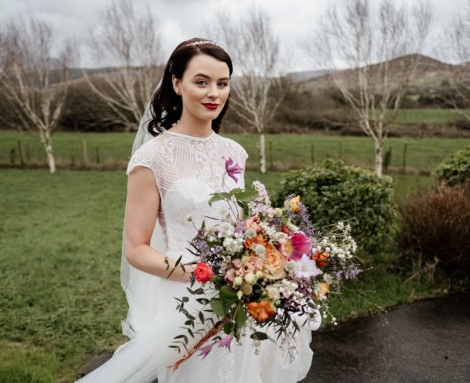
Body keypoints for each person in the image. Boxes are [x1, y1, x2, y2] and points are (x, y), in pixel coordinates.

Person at [77, 38, 315, 383]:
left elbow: (238, 224)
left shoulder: (234, 151)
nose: (213, 93)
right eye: (201, 82)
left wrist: (263, 261)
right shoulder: (152, 158)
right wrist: (206, 274)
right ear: (177, 83)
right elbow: (137, 250)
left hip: (240, 297)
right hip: (185, 300)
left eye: (222, 83)